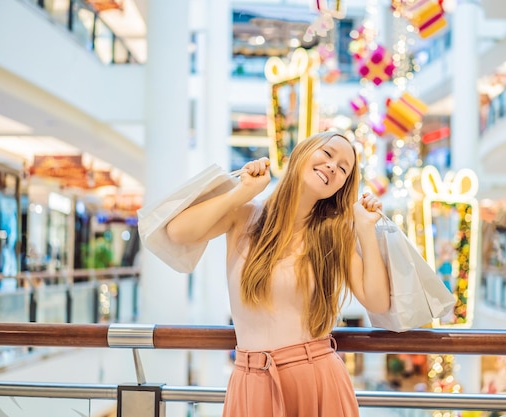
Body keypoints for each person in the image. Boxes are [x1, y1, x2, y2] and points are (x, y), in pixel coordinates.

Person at [166, 131, 390, 417]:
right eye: (328, 153)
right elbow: (178, 232)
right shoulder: (246, 215)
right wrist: (241, 192)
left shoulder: (333, 235)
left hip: (318, 378)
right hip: (251, 381)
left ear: (341, 187)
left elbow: (377, 301)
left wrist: (366, 229)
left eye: (344, 168)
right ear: (302, 153)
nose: (333, 166)